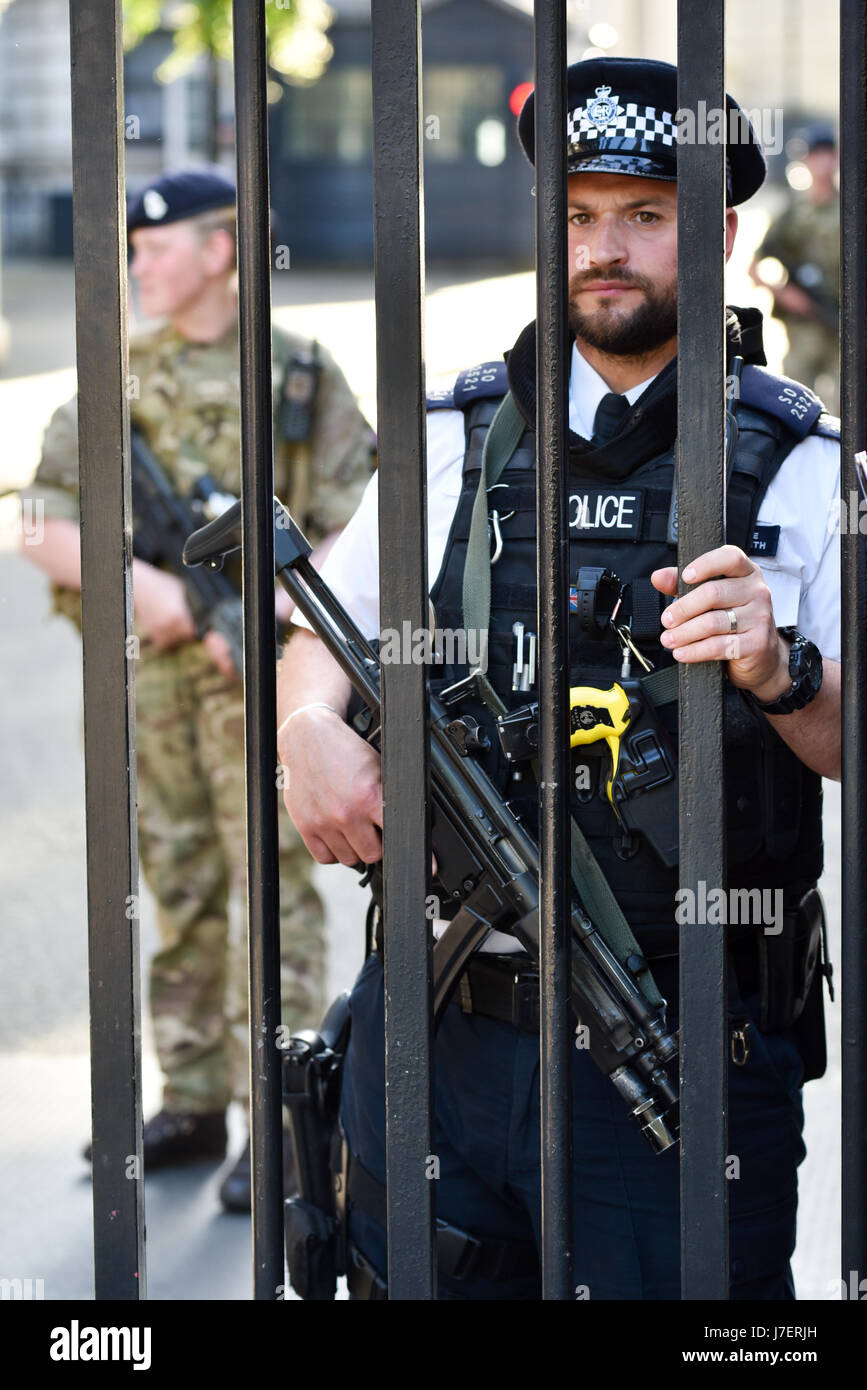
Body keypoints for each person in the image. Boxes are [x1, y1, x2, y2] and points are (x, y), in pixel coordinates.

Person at [276, 58, 841, 1299]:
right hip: (442, 1032)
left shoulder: (801, 459)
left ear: (719, 234)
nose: (607, 248)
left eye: (645, 216)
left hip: (685, 1045)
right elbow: (319, 619)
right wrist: (307, 724)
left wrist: (780, 668)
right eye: (579, 215)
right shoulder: (450, 435)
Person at [19, 167, 375, 1213]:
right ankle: (192, 1095)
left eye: (156, 247)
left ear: (221, 250)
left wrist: (271, 611)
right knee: (173, 885)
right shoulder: (115, 374)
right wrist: (144, 591)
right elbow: (37, 516)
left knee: (270, 893)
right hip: (161, 688)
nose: (138, 265)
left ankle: (282, 1113)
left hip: (269, 684)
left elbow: (362, 519)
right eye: (133, 250)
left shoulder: (299, 373)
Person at [750, 123, 840, 411]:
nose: (822, 163)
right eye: (815, 156)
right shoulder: (792, 215)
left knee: (845, 409)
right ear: (804, 162)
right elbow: (755, 267)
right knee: (797, 406)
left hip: (843, 322)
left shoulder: (850, 208)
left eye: (828, 154)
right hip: (803, 328)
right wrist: (784, 292)